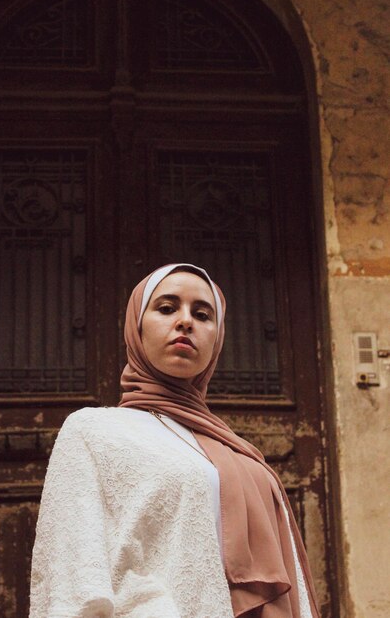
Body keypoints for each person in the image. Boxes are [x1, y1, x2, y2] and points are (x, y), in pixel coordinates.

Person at [30, 263, 320, 618]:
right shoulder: (94, 431)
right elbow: (69, 580)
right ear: (136, 327)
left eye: (202, 314)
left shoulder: (232, 449)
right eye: (167, 308)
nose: (186, 322)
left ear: (217, 337)